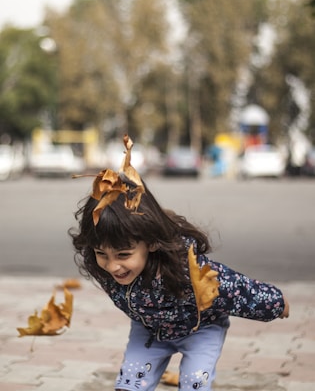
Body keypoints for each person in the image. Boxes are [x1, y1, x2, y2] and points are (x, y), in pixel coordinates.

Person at [70, 135, 289, 391]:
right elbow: (109, 260)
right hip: (150, 330)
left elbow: (234, 288)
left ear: (151, 241)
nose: (112, 266)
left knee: (194, 382)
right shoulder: (105, 268)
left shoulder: (185, 268)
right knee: (129, 384)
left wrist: (275, 303)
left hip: (201, 329)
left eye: (123, 255)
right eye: (101, 253)